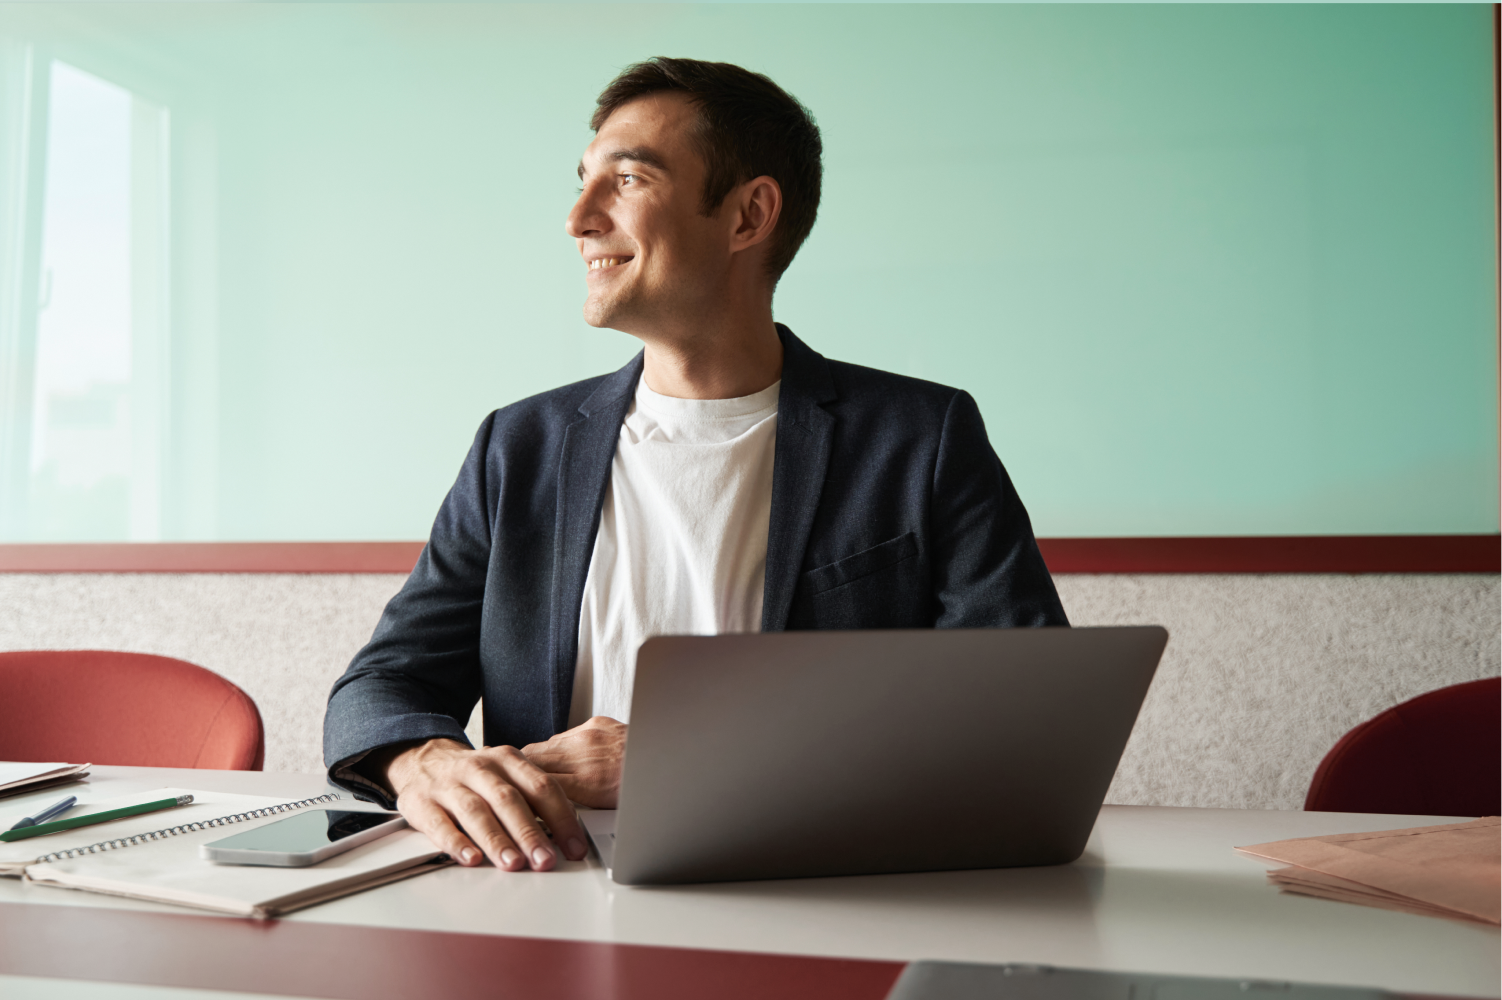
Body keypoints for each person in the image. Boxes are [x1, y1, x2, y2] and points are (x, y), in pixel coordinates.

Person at [323, 57, 1068, 874]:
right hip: (541, 889)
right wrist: (425, 763)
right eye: (581, 181)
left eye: (628, 178)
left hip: (823, 889)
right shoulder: (520, 445)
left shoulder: (921, 438)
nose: (578, 217)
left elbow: (1019, 721)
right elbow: (383, 682)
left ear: (749, 215)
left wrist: (699, 763)